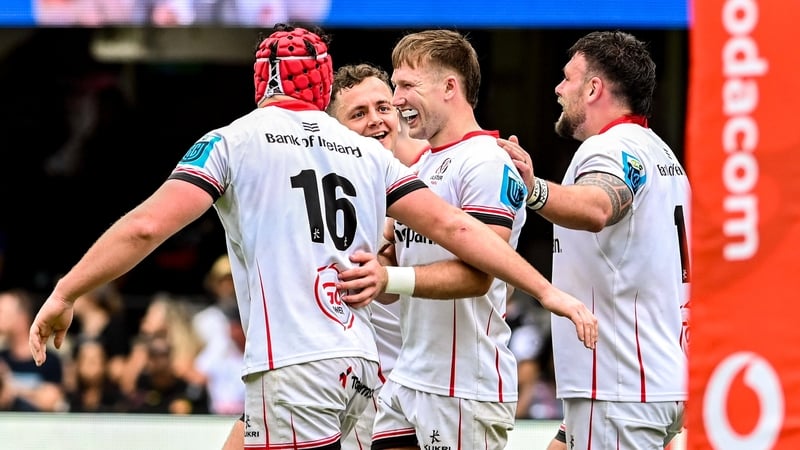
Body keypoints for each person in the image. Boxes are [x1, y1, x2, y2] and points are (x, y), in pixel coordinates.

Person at [29, 24, 596, 449]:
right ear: (323, 84)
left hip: (296, 363)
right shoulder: (370, 155)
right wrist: (549, 293)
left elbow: (148, 225)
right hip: (362, 368)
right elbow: (455, 227)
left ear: (259, 81)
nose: (383, 114)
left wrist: (65, 292)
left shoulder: (235, 139)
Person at [500, 30, 690, 449]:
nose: (557, 88)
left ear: (593, 88)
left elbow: (599, 206)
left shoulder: (609, 148)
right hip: (651, 381)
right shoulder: (661, 152)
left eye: (567, 78)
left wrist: (533, 190)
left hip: (619, 388)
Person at [352, 29, 526, 450]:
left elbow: (478, 276)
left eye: (408, 85)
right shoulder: (421, 165)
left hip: (465, 386)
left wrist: (389, 279)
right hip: (409, 377)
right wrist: (378, 264)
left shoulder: (486, 161)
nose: (396, 99)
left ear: (450, 87)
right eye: (396, 85)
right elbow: (395, 291)